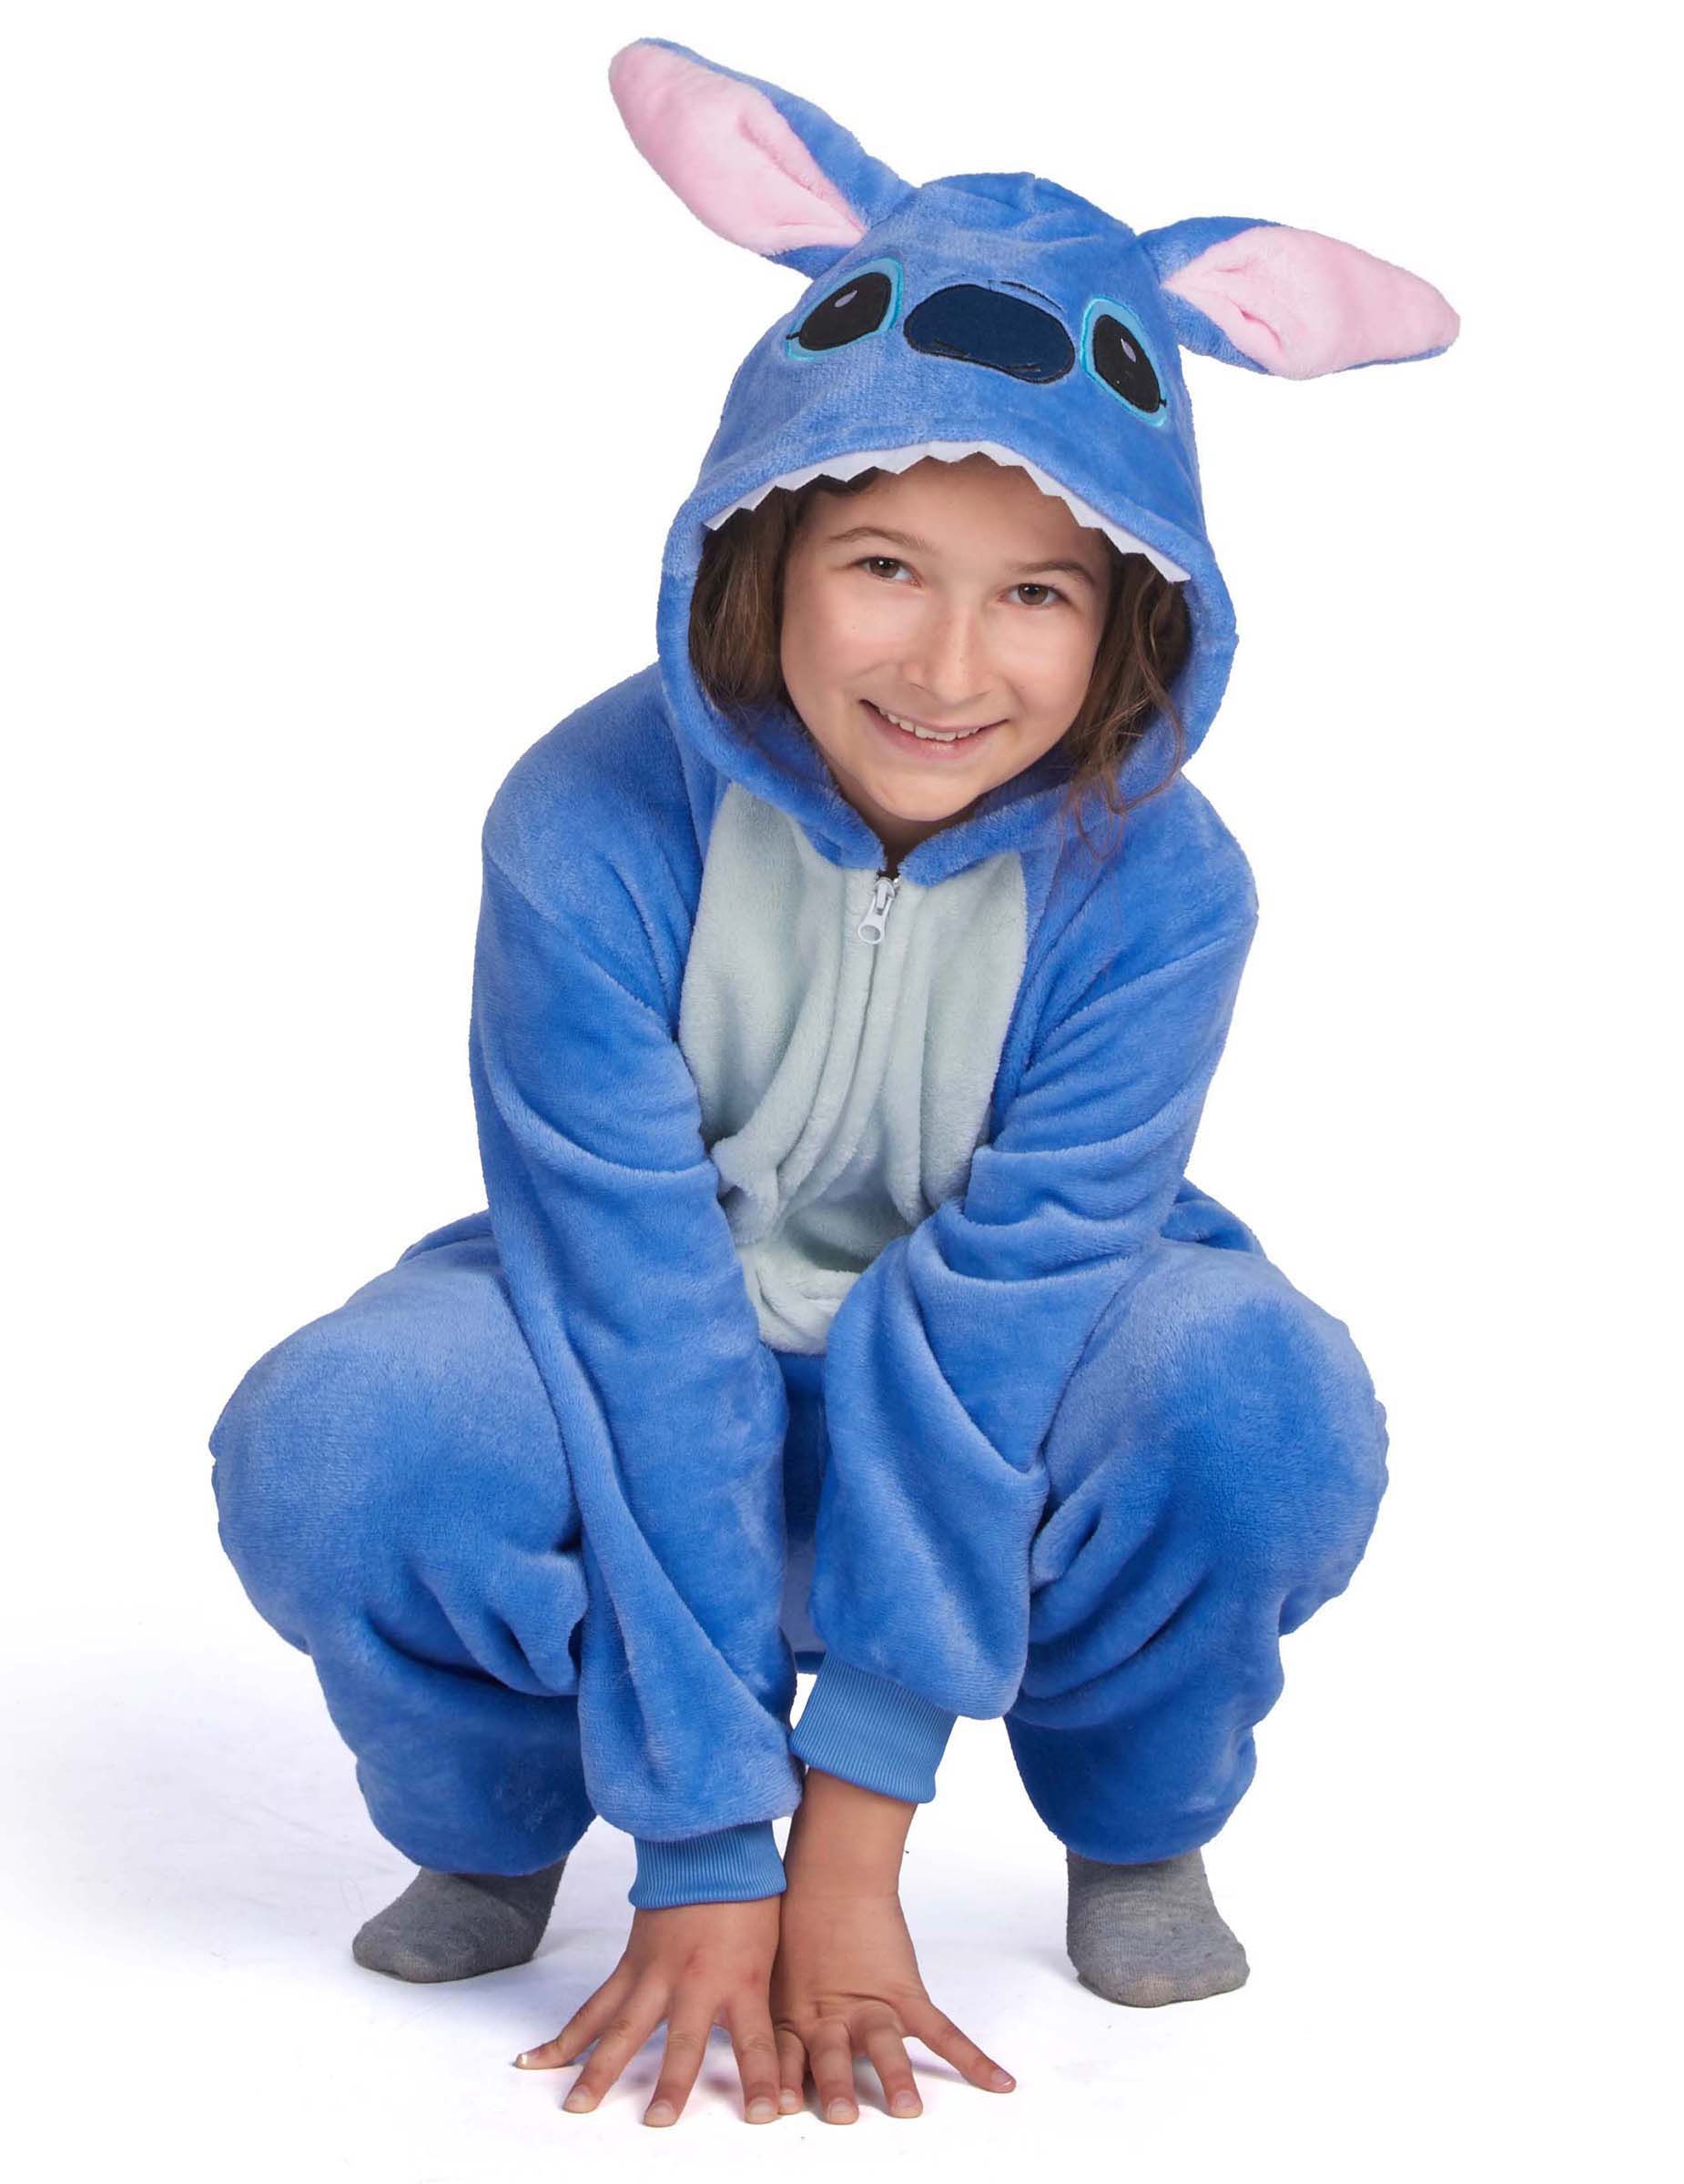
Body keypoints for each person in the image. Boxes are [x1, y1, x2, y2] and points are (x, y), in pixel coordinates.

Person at [208, 34, 1458, 2132]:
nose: (949, 671)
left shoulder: (1166, 891)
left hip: (998, 1400)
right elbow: (628, 1305)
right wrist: (711, 1848)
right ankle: (505, 1809)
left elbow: (1008, 1318)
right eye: (883, 565)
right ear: (761, 547)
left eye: (1036, 593)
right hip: (635, 1343)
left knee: (1253, 1397)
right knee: (352, 1433)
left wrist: (848, 1850)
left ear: (1135, 616)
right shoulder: (588, 822)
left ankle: (1135, 1810)